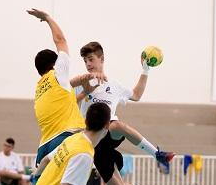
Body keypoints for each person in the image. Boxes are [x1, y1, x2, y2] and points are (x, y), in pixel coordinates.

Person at [0, 8, 101, 185]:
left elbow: (72, 90)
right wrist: (48, 19)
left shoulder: (40, 89)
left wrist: (87, 83)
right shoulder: (58, 75)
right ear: (55, 65)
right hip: (67, 142)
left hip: (44, 148)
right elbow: (61, 40)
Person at [74, 41, 175, 174]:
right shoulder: (81, 82)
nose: (88, 64)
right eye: (85, 61)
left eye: (91, 59)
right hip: (89, 137)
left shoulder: (114, 85)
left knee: (116, 125)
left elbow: (137, 95)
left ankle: (157, 155)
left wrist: (145, 70)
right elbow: (70, 104)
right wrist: (85, 92)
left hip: (107, 133)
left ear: (102, 59)